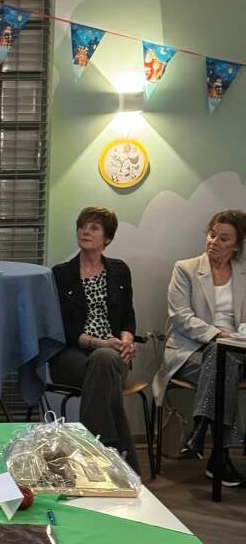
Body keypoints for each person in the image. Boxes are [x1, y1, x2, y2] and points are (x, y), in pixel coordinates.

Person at [152, 209, 246, 485]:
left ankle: (200, 431)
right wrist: (217, 334)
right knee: (221, 358)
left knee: (224, 359)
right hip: (191, 350)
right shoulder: (186, 269)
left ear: (237, 245)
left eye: (224, 238)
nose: (214, 242)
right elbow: (181, 317)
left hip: (239, 348)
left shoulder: (243, 272)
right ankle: (219, 454)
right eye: (212, 234)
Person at [50, 207, 140, 471]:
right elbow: (60, 329)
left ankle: (97, 452)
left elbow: (128, 316)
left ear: (107, 238)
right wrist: (100, 343)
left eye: (94, 227)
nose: (85, 231)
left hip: (114, 355)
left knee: (105, 363)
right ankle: (114, 456)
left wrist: (127, 340)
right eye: (82, 226)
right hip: (71, 354)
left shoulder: (120, 271)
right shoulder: (61, 274)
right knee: (103, 361)